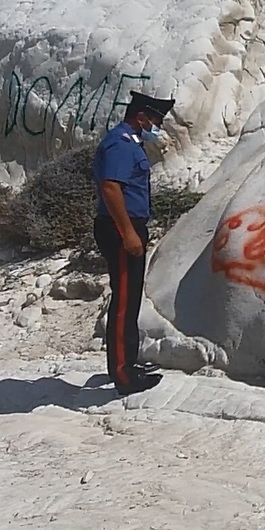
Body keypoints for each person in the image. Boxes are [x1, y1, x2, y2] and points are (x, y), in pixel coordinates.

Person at [92, 90, 175, 396]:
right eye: (155, 120)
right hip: (120, 228)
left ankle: (126, 361)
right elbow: (111, 188)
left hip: (126, 225)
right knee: (124, 301)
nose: (158, 126)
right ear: (141, 117)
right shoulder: (121, 143)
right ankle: (124, 375)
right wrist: (128, 232)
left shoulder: (131, 142)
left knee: (129, 299)